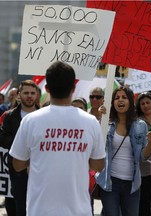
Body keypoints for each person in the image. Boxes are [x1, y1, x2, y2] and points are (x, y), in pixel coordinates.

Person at [9, 61, 106, 216]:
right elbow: (98, 165)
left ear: (46, 88)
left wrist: (39, 155)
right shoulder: (90, 122)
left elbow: (18, 164)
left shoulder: (31, 120)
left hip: (40, 210)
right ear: (73, 88)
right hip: (78, 210)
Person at [96, 86, 151, 216]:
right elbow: (97, 146)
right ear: (112, 103)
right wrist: (101, 119)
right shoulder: (107, 123)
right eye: (117, 98)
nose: (120, 100)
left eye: (124, 97)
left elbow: (143, 157)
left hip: (132, 184)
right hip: (110, 181)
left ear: (130, 101)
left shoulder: (140, 125)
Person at [0, 80, 38, 216]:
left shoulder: (44, 115)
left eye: (32, 93)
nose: (29, 96)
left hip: (40, 169)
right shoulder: (10, 116)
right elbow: (3, 139)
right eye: (26, 93)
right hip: (18, 170)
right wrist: (23, 142)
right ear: (19, 95)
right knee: (20, 208)